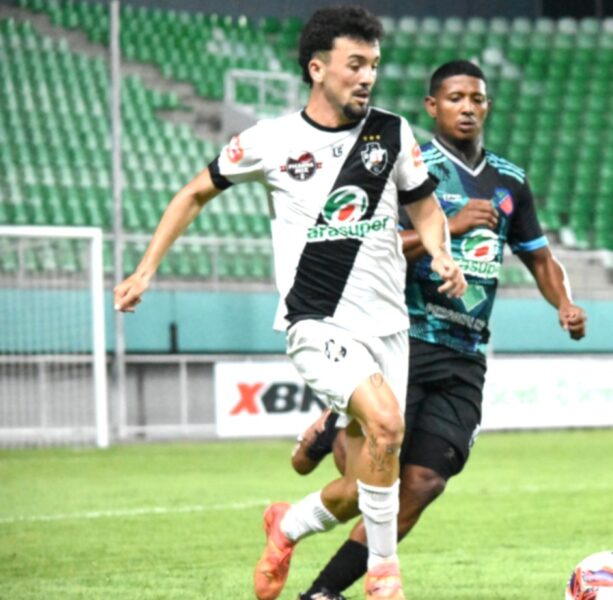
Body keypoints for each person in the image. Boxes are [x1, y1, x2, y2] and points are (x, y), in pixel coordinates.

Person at [113, 7, 467, 600]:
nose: (367, 76)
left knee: (362, 483)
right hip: (316, 322)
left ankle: (287, 525)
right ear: (317, 68)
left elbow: (425, 207)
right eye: (355, 64)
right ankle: (384, 575)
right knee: (387, 423)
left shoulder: (392, 132)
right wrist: (145, 270)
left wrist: (441, 253)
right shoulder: (271, 141)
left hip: (388, 327)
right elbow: (194, 193)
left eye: (374, 65)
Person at [290, 59, 588, 600]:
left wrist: (564, 303)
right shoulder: (407, 166)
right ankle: (338, 420)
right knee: (362, 483)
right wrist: (448, 227)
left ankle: (322, 591)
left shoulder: (510, 181)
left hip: (466, 352)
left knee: (424, 483)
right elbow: (367, 247)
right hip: (402, 339)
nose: (467, 108)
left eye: (476, 99)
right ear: (432, 106)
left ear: (487, 107)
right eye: (455, 98)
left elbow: (540, 258)